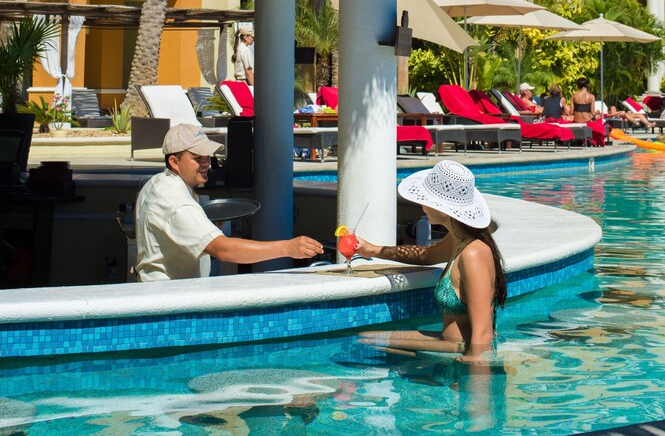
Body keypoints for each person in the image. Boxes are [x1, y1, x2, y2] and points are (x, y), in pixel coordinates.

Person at [356, 160, 506, 363]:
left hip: (463, 352)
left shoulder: (473, 254)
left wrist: (474, 384)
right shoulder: (458, 239)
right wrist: (373, 250)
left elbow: (483, 334)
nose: (422, 205)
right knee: (366, 339)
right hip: (449, 343)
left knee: (366, 344)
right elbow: (425, 255)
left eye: (426, 199)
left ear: (443, 210)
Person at [134, 124, 323, 280]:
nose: (206, 163)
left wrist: (204, 225)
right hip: (170, 304)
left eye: (207, 157)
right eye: (197, 158)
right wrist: (288, 248)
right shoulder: (174, 199)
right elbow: (223, 249)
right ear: (174, 162)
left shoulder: (158, 183)